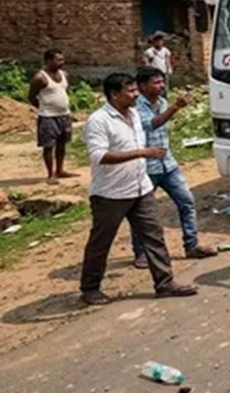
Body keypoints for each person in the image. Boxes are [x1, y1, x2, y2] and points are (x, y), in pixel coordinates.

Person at [79, 73, 198, 305]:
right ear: (114, 95)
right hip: (110, 193)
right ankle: (90, 288)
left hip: (140, 188)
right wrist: (142, 153)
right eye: (131, 92)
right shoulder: (99, 120)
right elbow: (99, 156)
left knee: (154, 236)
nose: (136, 95)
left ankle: (165, 283)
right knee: (101, 242)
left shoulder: (133, 114)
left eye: (136, 90)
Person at [129, 68, 217, 269]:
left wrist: (171, 107)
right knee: (142, 213)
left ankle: (191, 245)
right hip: (146, 167)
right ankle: (141, 252)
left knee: (187, 202)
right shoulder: (136, 107)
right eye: (156, 82)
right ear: (142, 86)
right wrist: (175, 107)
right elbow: (151, 125)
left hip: (168, 164)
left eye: (162, 82)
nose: (161, 86)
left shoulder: (161, 102)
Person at [29, 49, 76, 184]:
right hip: (48, 117)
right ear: (48, 61)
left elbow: (65, 92)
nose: (62, 62)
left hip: (64, 115)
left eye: (62, 59)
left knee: (62, 144)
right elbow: (32, 96)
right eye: (58, 60)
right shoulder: (40, 78)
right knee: (48, 146)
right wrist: (43, 108)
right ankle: (50, 174)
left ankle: (60, 170)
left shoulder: (64, 75)